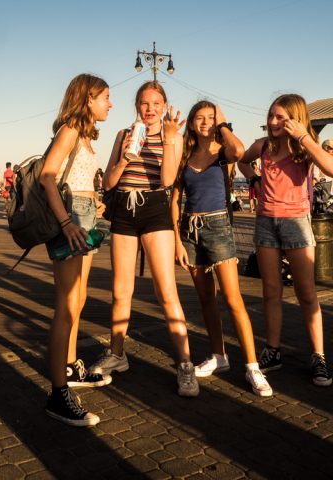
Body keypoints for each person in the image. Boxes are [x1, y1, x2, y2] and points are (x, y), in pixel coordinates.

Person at [89, 81, 199, 397]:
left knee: (166, 290)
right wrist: (125, 158)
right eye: (143, 103)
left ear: (164, 106)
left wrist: (168, 141)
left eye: (155, 103)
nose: (149, 109)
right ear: (137, 106)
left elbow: (166, 180)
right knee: (120, 290)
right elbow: (109, 181)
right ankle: (117, 354)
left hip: (153, 210)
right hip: (123, 208)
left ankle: (185, 364)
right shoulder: (123, 135)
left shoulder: (174, 137)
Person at [172, 101, 272, 396]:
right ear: (190, 123)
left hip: (218, 227)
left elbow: (241, 153)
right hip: (190, 230)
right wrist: (177, 239)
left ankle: (253, 367)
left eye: (210, 118)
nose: (205, 122)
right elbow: (174, 198)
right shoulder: (185, 154)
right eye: (199, 118)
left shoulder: (223, 152)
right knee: (205, 298)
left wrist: (224, 125)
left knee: (233, 298)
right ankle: (219, 356)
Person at [238, 93, 333, 387]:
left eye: (281, 117)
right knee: (270, 290)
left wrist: (304, 137)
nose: (274, 122)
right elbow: (242, 161)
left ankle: (318, 356)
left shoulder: (304, 147)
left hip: (296, 223)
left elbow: (330, 168)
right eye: (272, 116)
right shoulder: (264, 145)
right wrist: (253, 179)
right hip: (266, 222)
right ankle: (273, 350)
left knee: (306, 292)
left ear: (295, 119)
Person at [39, 73, 112, 427]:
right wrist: (68, 221)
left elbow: (76, 180)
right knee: (65, 306)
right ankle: (57, 393)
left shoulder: (83, 134)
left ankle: (69, 367)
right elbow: (47, 175)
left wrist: (92, 202)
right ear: (87, 100)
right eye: (105, 98)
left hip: (84, 215)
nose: (109, 104)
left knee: (78, 300)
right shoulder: (70, 129)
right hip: (71, 221)